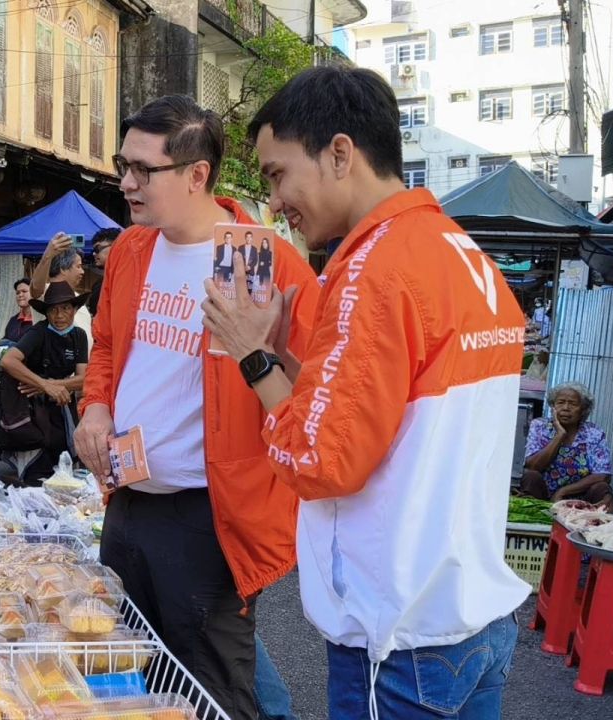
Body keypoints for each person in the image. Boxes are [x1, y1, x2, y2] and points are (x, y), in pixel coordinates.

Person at [202, 66, 526, 719]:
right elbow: (384, 418)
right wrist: (286, 358)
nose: (275, 203)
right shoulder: (460, 252)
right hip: (470, 618)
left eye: (277, 174)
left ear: (340, 153)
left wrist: (252, 356)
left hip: (399, 639)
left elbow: (320, 460)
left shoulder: (373, 267)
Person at [72, 95, 319, 720]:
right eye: (122, 165)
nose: (126, 182)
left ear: (196, 174)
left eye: (143, 169)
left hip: (210, 515)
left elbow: (314, 390)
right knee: (127, 674)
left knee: (210, 689)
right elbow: (108, 347)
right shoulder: (131, 250)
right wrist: (95, 409)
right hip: (127, 501)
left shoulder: (266, 262)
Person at [1, 282, 89, 485]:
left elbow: (84, 379)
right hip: (34, 411)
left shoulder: (79, 336)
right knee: (37, 472)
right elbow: (8, 360)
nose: (59, 315)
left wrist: (53, 385)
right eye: (53, 310)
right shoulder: (38, 332)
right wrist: (44, 385)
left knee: (64, 470)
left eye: (65, 308)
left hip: (63, 407)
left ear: (75, 310)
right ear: (46, 313)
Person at [521, 382, 613, 511]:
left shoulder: (593, 433)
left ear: (583, 410)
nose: (566, 408)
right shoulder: (540, 426)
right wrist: (560, 435)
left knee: (602, 488)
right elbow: (532, 466)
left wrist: (562, 492)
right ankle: (530, 518)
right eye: (560, 403)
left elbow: (603, 475)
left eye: (573, 404)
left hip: (581, 499)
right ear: (553, 407)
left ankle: (605, 523)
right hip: (543, 497)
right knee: (531, 477)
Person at [30, 237, 91, 348]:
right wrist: (48, 255)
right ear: (63, 269)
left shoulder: (77, 297)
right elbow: (36, 289)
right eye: (78, 266)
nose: (82, 271)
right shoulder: (47, 292)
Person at [87, 228, 121, 318]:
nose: (94, 254)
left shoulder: (129, 280)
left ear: (115, 246)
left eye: (97, 249)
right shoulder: (99, 284)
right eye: (93, 250)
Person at [3, 278, 36, 343]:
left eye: (24, 291)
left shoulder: (40, 319)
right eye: (18, 293)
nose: (20, 295)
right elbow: (6, 341)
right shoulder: (13, 320)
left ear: (33, 293)